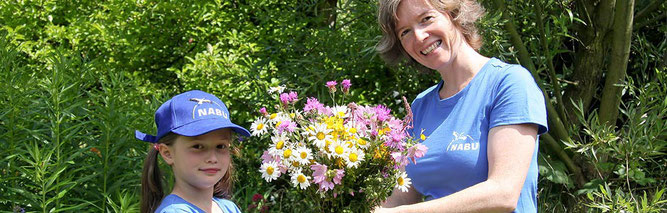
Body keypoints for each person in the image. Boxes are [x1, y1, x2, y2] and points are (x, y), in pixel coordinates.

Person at [374, 0, 548, 212]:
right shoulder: (420, 106)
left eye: (426, 19)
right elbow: (399, 198)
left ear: (454, 13)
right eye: (405, 32)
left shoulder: (509, 83)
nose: (419, 37)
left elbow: (503, 194)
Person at [136, 90, 250, 213]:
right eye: (198, 146)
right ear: (167, 153)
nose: (212, 158)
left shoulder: (228, 208)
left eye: (220, 146)